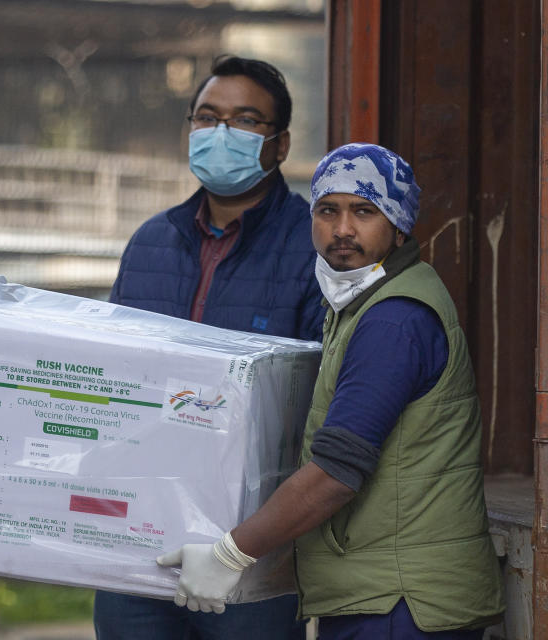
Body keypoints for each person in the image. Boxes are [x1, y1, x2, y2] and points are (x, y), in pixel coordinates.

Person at [157, 143, 505, 638]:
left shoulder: (393, 319)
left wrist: (230, 553)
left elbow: (336, 474)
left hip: (400, 603)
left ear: (399, 225)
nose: (342, 229)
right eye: (328, 210)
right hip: (387, 593)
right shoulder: (360, 302)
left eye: (364, 211)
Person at [96, 56, 323, 639]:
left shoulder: (312, 250)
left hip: (251, 550)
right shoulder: (151, 242)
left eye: (246, 121)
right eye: (208, 117)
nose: (222, 133)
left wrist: (250, 542)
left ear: (279, 144)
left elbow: (314, 404)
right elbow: (113, 381)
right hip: (139, 543)